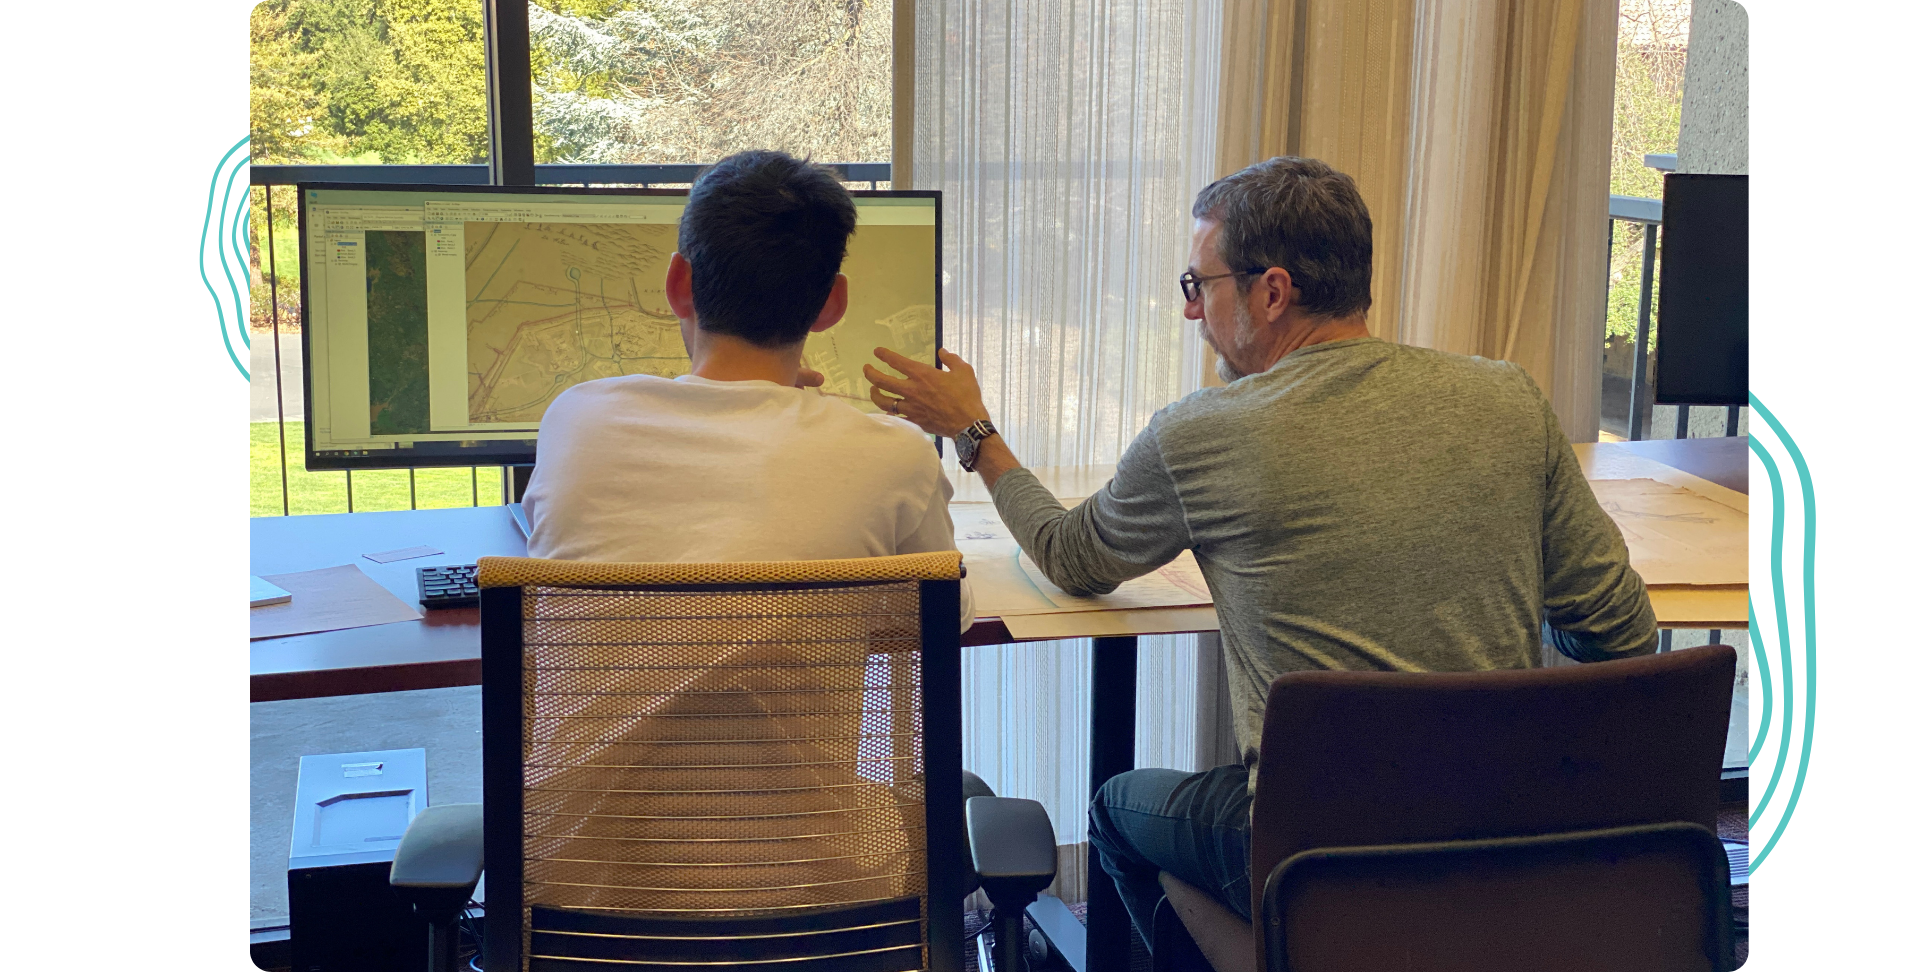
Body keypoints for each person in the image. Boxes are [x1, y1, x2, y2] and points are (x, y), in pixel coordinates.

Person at [862, 156, 1658, 946]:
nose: (1190, 313)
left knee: (1112, 810)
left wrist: (974, 434)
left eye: (1196, 286)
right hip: (1507, 841)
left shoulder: (1204, 435)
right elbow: (1619, 631)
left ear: (1271, 291)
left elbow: (1072, 557)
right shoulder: (1506, 398)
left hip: (1311, 848)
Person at [524, 149, 972, 633]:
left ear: (677, 285)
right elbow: (948, 617)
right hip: (794, 713)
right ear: (832, 305)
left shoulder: (573, 418)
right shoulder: (897, 457)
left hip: (589, 713)